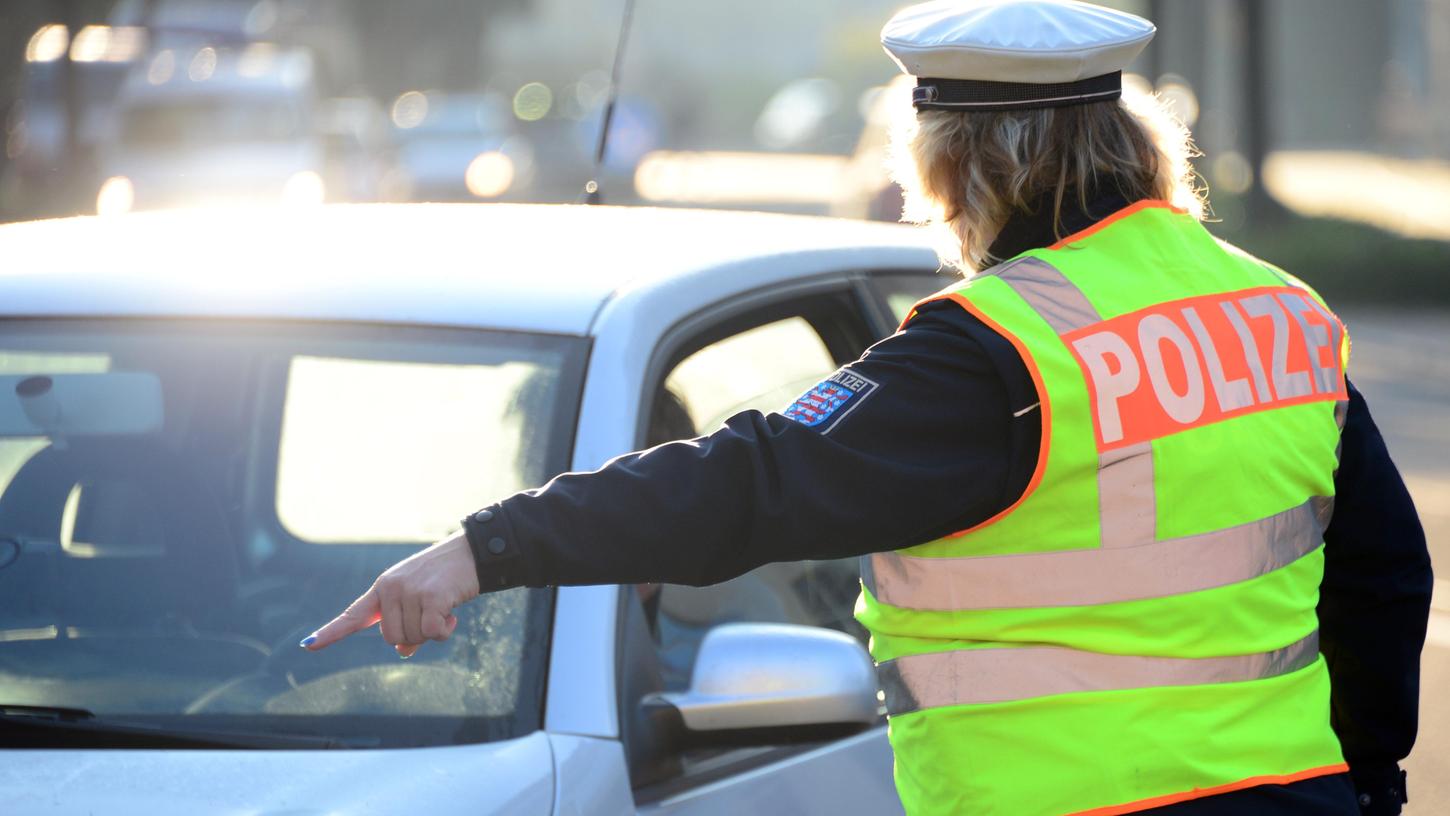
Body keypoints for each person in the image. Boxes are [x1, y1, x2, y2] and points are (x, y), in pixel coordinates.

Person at [301, 2, 1432, 814]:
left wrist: (480, 550)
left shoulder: (997, 350)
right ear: (1127, 147)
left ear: (964, 167)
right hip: (1298, 793)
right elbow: (1384, 575)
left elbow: (749, 483)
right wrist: (1368, 777)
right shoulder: (1279, 310)